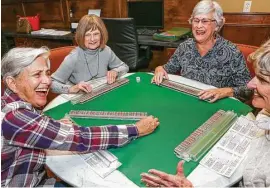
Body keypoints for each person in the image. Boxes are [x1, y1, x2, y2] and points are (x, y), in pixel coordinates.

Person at [1, 47, 159, 187]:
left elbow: (30, 126)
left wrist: (50, 126)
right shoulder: (15, 117)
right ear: (12, 83)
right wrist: (136, 129)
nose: (47, 81)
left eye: (47, 73)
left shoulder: (13, 104)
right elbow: (82, 138)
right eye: (37, 75)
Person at [141, 39, 270, 187]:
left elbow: (244, 89)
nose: (250, 83)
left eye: (262, 79)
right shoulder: (265, 113)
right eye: (196, 20)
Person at [152, 0, 252, 103]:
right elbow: (167, 69)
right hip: (187, 102)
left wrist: (224, 92)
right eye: (196, 20)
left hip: (216, 106)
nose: (198, 26)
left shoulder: (231, 52)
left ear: (217, 25)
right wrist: (159, 69)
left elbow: (248, 90)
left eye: (205, 21)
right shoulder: (185, 47)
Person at [51, 14, 129, 94]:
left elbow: (124, 67)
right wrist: (71, 88)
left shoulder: (106, 50)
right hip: (79, 99)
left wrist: (115, 71)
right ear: (81, 36)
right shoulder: (73, 57)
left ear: (102, 35)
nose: (92, 39)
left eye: (96, 34)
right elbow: (52, 84)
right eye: (87, 35)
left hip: (101, 94)